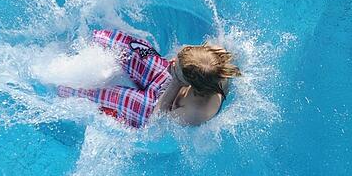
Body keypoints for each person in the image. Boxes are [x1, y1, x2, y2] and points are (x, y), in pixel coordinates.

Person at [57, 29, 241, 127]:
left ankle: (63, 85)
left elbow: (157, 122)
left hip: (154, 105)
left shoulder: (197, 112)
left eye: (178, 63)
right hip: (174, 78)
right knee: (134, 48)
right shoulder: (215, 59)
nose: (174, 59)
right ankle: (90, 39)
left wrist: (175, 83)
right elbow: (194, 58)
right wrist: (178, 70)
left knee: (111, 95)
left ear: (191, 83)